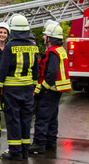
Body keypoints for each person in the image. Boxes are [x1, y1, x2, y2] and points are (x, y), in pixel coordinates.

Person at [0, 14, 39, 161]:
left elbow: (3, 69)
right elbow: (36, 70)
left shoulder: (10, 47)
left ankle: (15, 152)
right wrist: (34, 87)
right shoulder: (33, 47)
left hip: (11, 90)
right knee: (26, 120)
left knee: (13, 120)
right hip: (27, 90)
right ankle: (25, 150)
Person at [29, 23, 72, 155]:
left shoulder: (53, 52)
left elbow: (51, 74)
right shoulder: (60, 50)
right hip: (57, 89)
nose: (43, 37)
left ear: (49, 38)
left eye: (45, 35)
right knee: (52, 117)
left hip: (51, 89)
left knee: (42, 116)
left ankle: (39, 143)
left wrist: (43, 89)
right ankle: (50, 143)